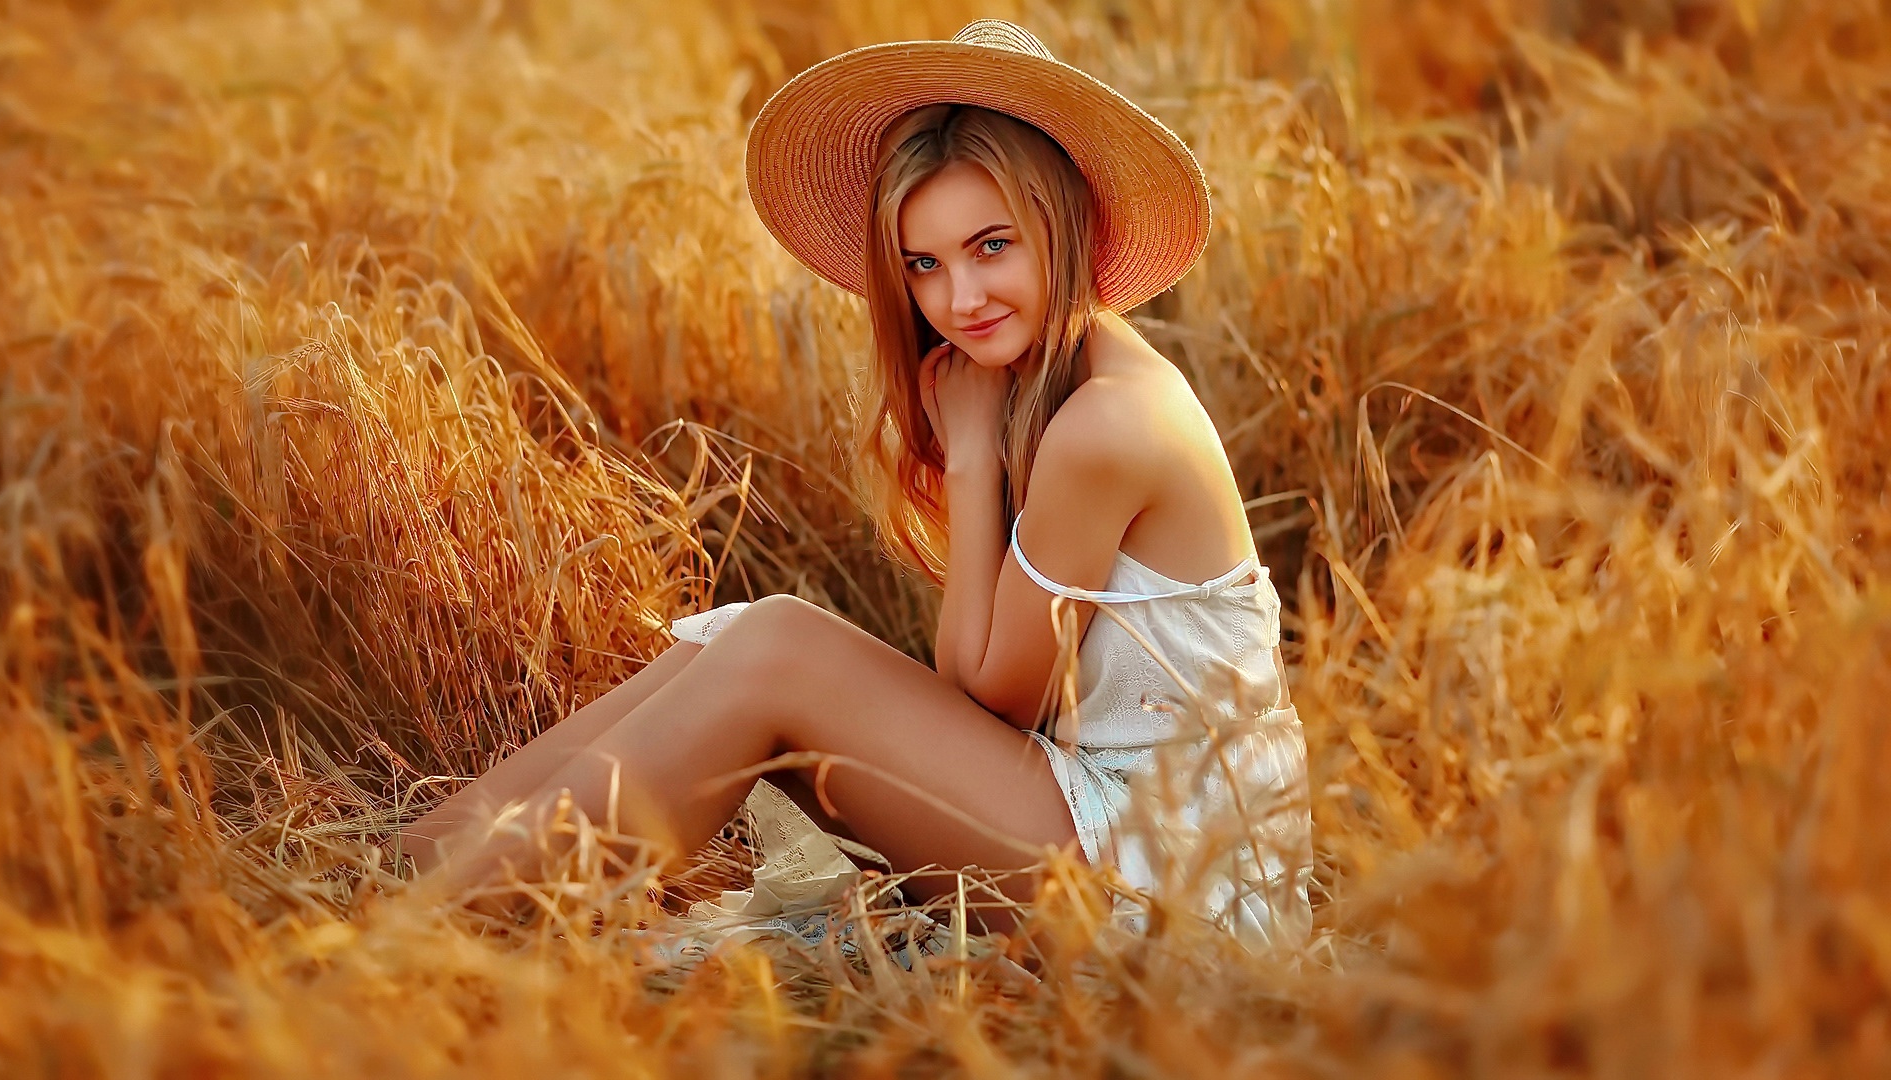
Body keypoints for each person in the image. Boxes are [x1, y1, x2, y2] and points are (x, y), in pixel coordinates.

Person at [404, 19, 1311, 948]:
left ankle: (422, 942)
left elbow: (987, 703)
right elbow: (986, 690)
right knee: (753, 635)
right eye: (926, 264)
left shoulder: (1106, 426)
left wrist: (966, 466)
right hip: (1099, 826)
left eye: (992, 246)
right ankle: (416, 868)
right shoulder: (1062, 384)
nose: (960, 299)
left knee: (779, 652)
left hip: (1183, 891)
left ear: (1067, 221)